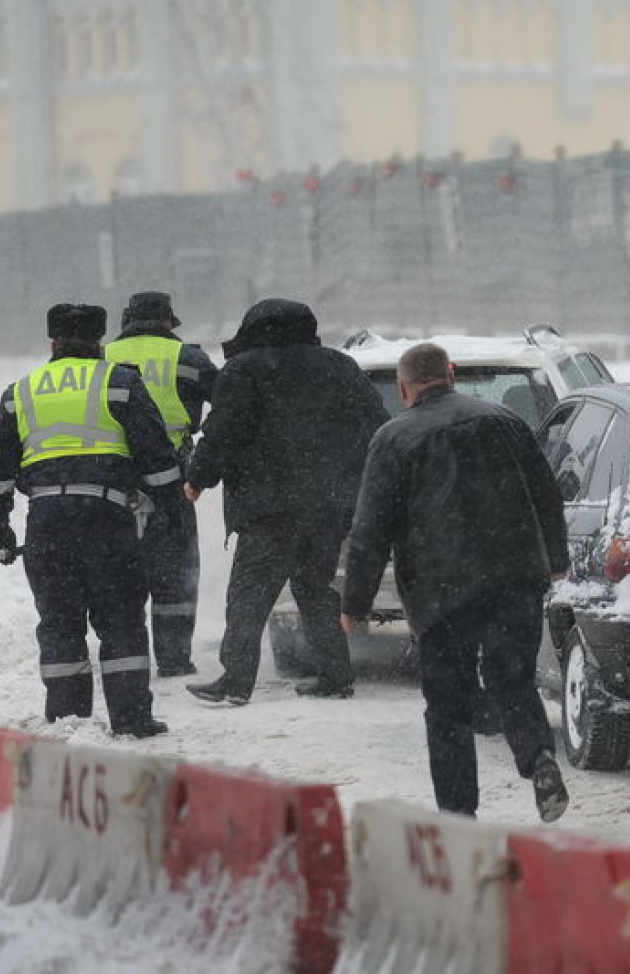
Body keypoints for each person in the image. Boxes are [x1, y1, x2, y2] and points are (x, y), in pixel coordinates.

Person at [339, 342, 572, 823]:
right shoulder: (505, 420)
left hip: (441, 589)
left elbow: (370, 529)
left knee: (447, 706)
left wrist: (355, 601)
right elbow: (546, 494)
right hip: (514, 576)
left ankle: (458, 814)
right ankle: (539, 759)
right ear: (450, 373)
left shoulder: (394, 437)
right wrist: (554, 558)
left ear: (404, 389)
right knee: (513, 680)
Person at [0, 303, 186, 738]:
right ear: (100, 341)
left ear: (52, 342)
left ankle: (68, 717)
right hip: (108, 520)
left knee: (59, 620)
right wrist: (169, 512)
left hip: (47, 523)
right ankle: (131, 718)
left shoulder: (22, 391)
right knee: (122, 619)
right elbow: (157, 460)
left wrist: (0, 530)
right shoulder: (121, 382)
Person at [183, 298, 388, 705]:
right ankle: (335, 674)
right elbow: (376, 427)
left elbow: (224, 431)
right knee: (316, 590)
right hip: (329, 507)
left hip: (269, 508)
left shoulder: (245, 370)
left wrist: (198, 478)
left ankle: (235, 681)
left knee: (249, 594)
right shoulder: (340, 367)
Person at [104, 291, 218, 677]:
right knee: (175, 573)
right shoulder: (188, 358)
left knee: (120, 571)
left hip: (113, 483)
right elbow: (231, 405)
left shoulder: (102, 358)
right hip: (172, 479)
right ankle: (173, 659)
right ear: (169, 321)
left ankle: (124, 655)